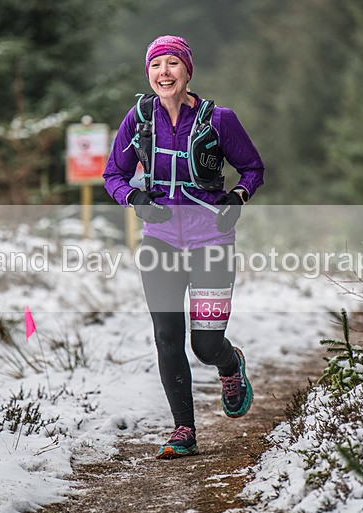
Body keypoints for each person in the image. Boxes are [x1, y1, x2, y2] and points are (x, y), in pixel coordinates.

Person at [103, 35, 264, 459]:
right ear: (149, 74)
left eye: (173, 64)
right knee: (167, 337)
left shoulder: (219, 119)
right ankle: (183, 431)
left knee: (205, 346)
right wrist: (134, 199)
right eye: (156, 66)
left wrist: (237, 198)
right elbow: (113, 175)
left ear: (187, 71)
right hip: (159, 243)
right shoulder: (138, 119)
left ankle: (230, 366)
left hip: (211, 240)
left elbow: (252, 168)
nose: (164, 73)